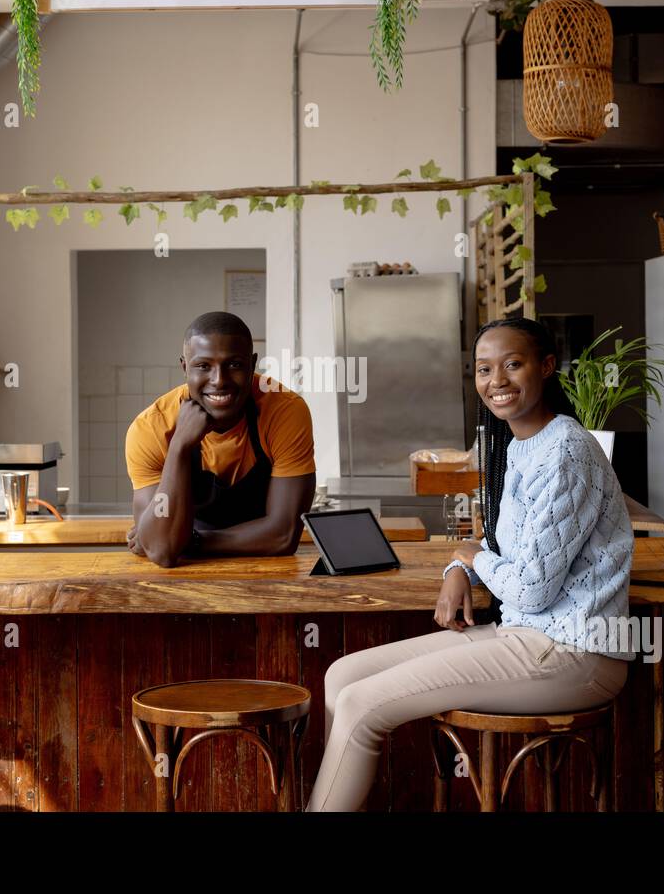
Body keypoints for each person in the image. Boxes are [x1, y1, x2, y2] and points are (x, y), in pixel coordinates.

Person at [305, 317, 635, 811]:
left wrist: (469, 555)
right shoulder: (522, 444)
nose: (496, 380)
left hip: (575, 652)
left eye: (512, 364)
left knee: (359, 703)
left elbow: (531, 590)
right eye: (484, 369)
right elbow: (503, 545)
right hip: (530, 638)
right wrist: (458, 567)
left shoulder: (566, 451)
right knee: (342, 677)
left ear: (546, 367)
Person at [125, 312, 316, 567]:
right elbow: (162, 551)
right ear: (184, 367)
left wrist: (190, 541)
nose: (219, 380)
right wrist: (180, 446)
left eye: (234, 364)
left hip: (266, 572)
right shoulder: (151, 427)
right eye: (203, 366)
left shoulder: (284, 411)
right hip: (183, 580)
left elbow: (283, 536)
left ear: (252, 364)